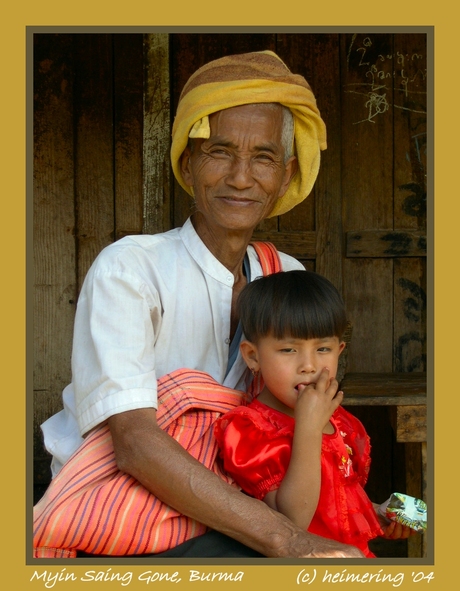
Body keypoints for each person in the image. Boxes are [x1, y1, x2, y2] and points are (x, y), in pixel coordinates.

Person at [34, 50, 364, 558]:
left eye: (263, 157)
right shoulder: (131, 268)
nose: (240, 177)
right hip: (125, 512)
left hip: (243, 505)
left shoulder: (287, 276)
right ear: (188, 164)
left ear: (285, 174)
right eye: (220, 151)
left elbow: (299, 429)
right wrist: (286, 538)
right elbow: (136, 444)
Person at [215, 270, 416, 558]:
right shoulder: (250, 430)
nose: (308, 365)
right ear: (253, 356)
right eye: (288, 349)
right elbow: (292, 522)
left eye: (323, 348)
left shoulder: (342, 422)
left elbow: (338, 502)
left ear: (339, 350)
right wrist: (308, 429)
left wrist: (378, 514)